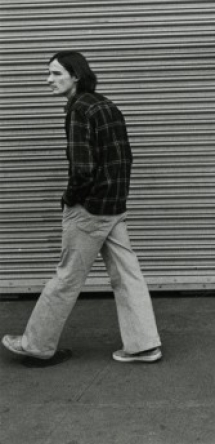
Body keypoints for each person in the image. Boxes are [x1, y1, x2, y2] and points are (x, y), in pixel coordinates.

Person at [2, 51, 162, 364]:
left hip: (89, 211)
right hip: (113, 206)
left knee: (66, 278)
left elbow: (83, 168)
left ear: (76, 75)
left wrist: (72, 198)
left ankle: (36, 344)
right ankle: (143, 345)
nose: (49, 80)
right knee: (128, 276)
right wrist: (114, 197)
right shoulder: (106, 105)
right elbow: (124, 158)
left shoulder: (78, 111)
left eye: (56, 73)